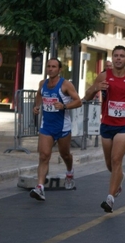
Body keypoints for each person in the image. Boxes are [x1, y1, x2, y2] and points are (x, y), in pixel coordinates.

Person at [83, 45, 125, 213]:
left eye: (122, 56)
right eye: (116, 55)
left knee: (117, 160)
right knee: (110, 164)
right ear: (112, 58)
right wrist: (96, 88)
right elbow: (87, 97)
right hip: (107, 124)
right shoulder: (104, 76)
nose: (118, 58)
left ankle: (110, 198)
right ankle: (120, 178)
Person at [30, 58, 82, 201]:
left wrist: (64, 106)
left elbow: (78, 101)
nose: (50, 69)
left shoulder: (65, 85)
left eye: (53, 67)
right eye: (48, 66)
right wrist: (36, 106)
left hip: (62, 126)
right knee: (44, 155)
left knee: (65, 155)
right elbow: (39, 95)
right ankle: (40, 187)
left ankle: (69, 172)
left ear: (59, 70)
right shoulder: (43, 84)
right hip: (46, 126)